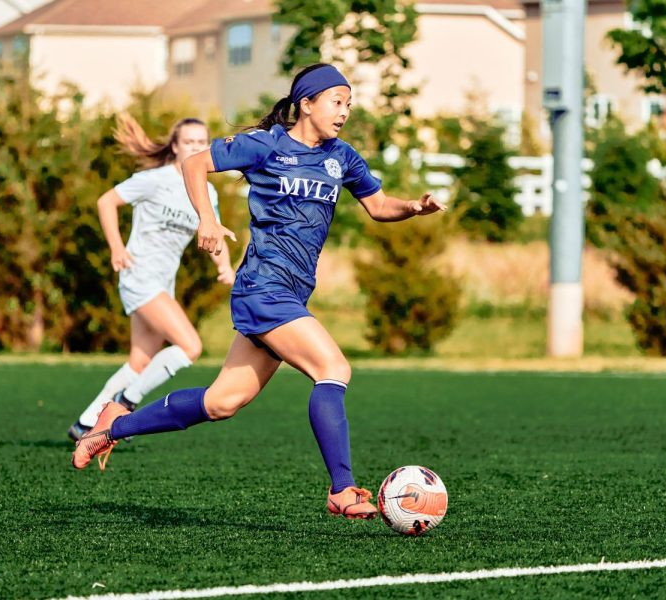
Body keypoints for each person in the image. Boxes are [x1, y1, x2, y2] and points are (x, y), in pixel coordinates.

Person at [72, 64, 446, 520]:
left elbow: (379, 205)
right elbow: (195, 163)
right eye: (336, 101)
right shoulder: (266, 145)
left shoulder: (341, 157)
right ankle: (342, 489)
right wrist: (206, 220)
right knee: (333, 368)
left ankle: (111, 426)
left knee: (223, 401)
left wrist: (413, 207)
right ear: (306, 103)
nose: (345, 111)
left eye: (349, 103)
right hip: (263, 289)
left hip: (290, 292)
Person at [67, 115, 234, 441]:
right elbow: (106, 201)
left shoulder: (206, 191)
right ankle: (125, 403)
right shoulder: (155, 179)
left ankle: (86, 423)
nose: (197, 147)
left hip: (162, 283)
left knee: (140, 362)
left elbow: (211, 232)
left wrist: (224, 265)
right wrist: (116, 247)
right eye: (189, 142)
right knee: (190, 346)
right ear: (174, 146)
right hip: (139, 275)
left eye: (202, 142)